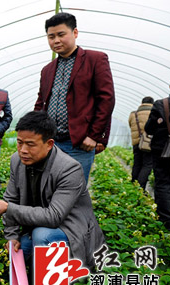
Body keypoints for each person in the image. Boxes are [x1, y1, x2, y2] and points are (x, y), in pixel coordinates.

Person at [0, 111, 105, 285]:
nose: (23, 149)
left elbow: (53, 217)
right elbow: (11, 198)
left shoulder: (69, 169)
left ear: (49, 144)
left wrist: (9, 209)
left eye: (30, 144)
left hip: (71, 231)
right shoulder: (17, 161)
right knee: (20, 247)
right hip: (39, 225)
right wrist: (12, 236)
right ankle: (36, 282)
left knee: (43, 234)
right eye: (19, 142)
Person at [34, 12, 115, 183]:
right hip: (51, 143)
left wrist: (94, 136)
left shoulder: (95, 59)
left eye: (61, 34)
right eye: (51, 36)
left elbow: (106, 99)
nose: (56, 40)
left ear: (75, 33)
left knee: (74, 193)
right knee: (48, 189)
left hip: (78, 143)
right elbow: (41, 103)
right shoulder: (47, 69)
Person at [144, 74, 170, 230]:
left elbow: (149, 128)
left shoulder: (161, 104)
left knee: (163, 182)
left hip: (162, 149)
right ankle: (169, 214)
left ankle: (166, 220)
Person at [128, 96, 154, 190]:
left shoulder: (133, 114)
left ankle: (133, 184)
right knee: (147, 164)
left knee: (137, 163)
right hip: (148, 143)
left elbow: (130, 125)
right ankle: (140, 187)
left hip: (136, 142)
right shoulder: (154, 112)